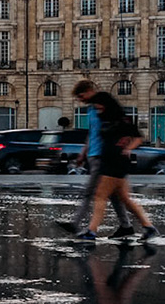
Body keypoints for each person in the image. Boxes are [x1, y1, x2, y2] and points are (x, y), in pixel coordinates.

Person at [77, 91, 157, 245]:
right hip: (110, 161)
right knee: (125, 199)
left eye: (99, 105)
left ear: (106, 104)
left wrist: (128, 148)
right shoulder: (104, 118)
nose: (97, 108)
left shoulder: (121, 119)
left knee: (100, 196)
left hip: (115, 162)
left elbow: (138, 137)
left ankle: (92, 231)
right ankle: (149, 227)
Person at [57, 80, 131, 237]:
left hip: (102, 155)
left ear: (89, 90)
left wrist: (121, 147)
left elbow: (118, 127)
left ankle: (76, 224)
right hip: (94, 154)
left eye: (81, 96)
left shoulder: (103, 105)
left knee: (90, 192)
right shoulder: (91, 109)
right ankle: (126, 226)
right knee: (113, 194)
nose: (80, 99)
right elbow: (92, 133)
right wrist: (83, 153)